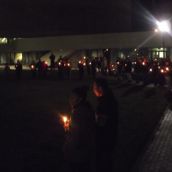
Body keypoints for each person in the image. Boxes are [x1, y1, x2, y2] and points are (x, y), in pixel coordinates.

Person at [62, 86, 95, 172]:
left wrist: (68, 131)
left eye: (72, 97)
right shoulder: (85, 109)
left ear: (79, 99)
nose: (70, 99)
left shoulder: (78, 113)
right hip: (86, 152)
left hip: (78, 155)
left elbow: (77, 138)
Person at [92, 78, 118, 172]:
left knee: (103, 162)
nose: (93, 89)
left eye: (94, 87)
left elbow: (101, 122)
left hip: (105, 138)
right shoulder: (107, 99)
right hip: (109, 136)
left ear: (100, 88)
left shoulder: (105, 102)